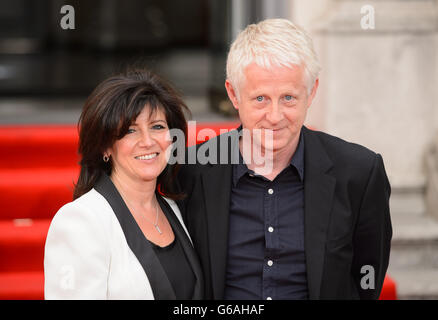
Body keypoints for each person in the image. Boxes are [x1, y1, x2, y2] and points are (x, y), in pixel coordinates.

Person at [177, 18, 392, 300]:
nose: (275, 116)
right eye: (261, 99)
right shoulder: (190, 171)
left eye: (289, 98)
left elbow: (367, 275)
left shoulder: (360, 172)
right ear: (233, 94)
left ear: (312, 91)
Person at [44, 69, 203, 299]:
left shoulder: (177, 209)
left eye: (157, 126)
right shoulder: (80, 222)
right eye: (130, 130)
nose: (148, 142)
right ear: (105, 146)